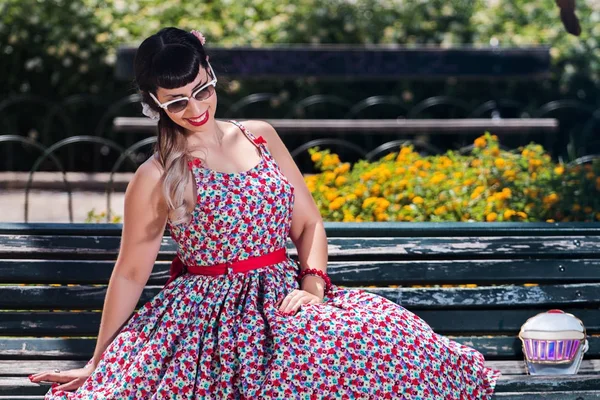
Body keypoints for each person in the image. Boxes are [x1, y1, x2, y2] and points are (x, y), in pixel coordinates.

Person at [30, 27, 500, 399]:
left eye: (202, 89)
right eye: (176, 102)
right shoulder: (156, 176)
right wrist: (97, 361)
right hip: (208, 317)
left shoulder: (259, 136)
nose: (195, 108)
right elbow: (131, 272)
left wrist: (312, 287)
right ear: (154, 102)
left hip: (284, 300)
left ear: (210, 70)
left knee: (391, 342)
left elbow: (309, 223)